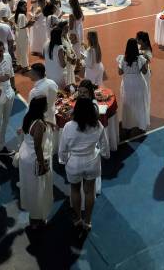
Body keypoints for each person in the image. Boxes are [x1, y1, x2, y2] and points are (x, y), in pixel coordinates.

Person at [59, 98, 109, 231]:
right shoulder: (97, 125)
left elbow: (62, 149)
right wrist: (105, 155)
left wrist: (63, 160)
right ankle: (88, 221)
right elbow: (105, 146)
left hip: (74, 163)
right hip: (92, 162)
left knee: (75, 190)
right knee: (90, 192)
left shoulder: (68, 126)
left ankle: (78, 220)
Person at [18, 96, 54, 228]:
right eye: (46, 103)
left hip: (25, 155)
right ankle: (35, 219)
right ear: (41, 107)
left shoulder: (28, 117)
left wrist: (48, 123)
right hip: (34, 159)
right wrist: (42, 164)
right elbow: (37, 146)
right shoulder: (39, 125)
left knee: (29, 186)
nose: (47, 105)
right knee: (37, 189)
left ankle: (33, 215)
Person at [117, 38, 150, 133]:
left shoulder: (122, 59)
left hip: (127, 84)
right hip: (138, 83)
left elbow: (120, 72)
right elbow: (145, 72)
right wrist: (146, 62)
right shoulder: (140, 59)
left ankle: (128, 124)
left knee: (128, 104)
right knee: (139, 104)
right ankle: (140, 124)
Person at [45, 25, 67, 89]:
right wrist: (66, 58)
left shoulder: (46, 44)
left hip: (49, 73)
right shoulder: (59, 48)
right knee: (60, 92)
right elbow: (63, 65)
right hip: (58, 75)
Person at [14, 0, 33, 71]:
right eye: (24, 6)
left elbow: (11, 20)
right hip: (23, 35)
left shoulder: (17, 14)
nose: (25, 7)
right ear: (20, 7)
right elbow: (22, 26)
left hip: (18, 34)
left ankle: (19, 64)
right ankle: (25, 66)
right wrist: (29, 24)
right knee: (24, 51)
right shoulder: (22, 15)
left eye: (26, 6)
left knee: (19, 50)